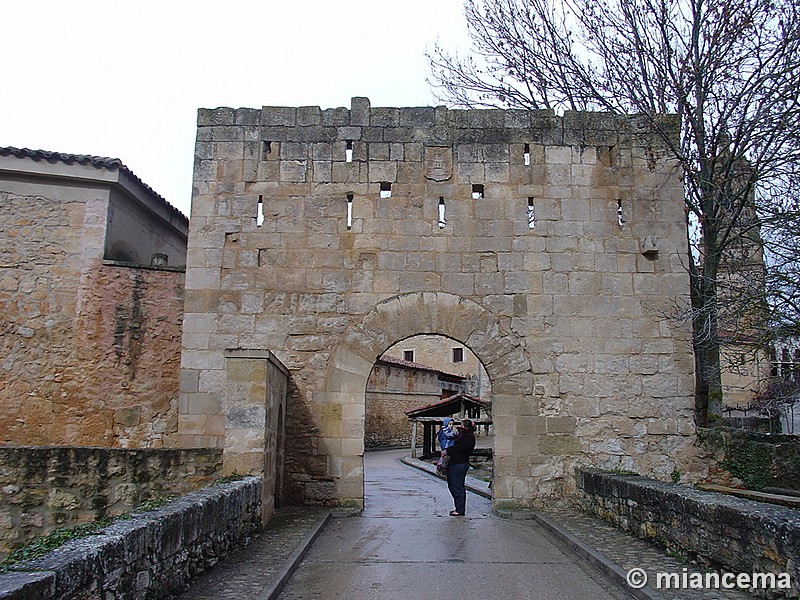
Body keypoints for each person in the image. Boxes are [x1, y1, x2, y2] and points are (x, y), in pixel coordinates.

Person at [442, 419, 476, 516]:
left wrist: (447, 451)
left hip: (459, 464)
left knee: (457, 486)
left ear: (465, 427)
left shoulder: (468, 437)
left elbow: (459, 448)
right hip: (456, 463)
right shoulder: (463, 436)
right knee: (453, 485)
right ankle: (458, 507)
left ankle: (460, 510)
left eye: (461, 425)